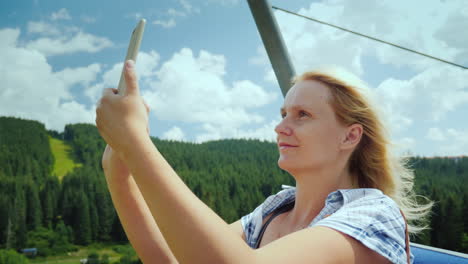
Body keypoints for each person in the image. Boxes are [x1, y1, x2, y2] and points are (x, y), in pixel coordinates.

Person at [96, 60, 431, 264]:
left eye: (303, 115)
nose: (280, 127)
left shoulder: (373, 216)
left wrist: (137, 144)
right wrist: (118, 172)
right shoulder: (274, 210)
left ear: (350, 136)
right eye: (284, 113)